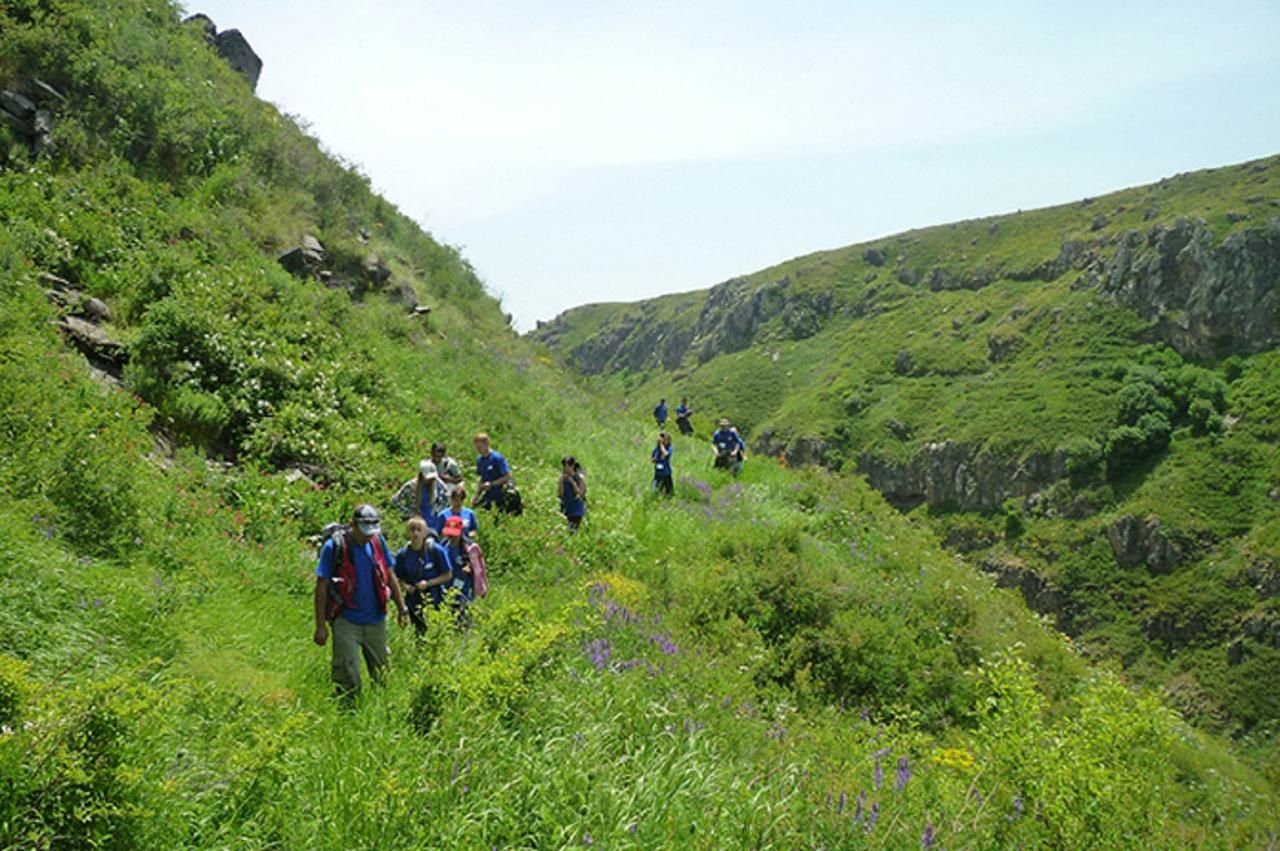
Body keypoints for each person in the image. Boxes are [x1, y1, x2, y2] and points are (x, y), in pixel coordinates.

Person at [313, 504, 409, 699]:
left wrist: (402, 608)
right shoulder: (334, 547)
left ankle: (382, 710)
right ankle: (348, 710)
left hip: (376, 619)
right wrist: (320, 625)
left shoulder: (378, 542)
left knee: (382, 675)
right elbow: (321, 587)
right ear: (352, 525)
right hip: (346, 619)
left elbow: (390, 575)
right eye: (364, 532)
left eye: (371, 532)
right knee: (348, 674)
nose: (368, 537)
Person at [394, 516, 453, 637]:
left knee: (436, 632)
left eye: (419, 529)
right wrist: (405, 586)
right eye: (412, 529)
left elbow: (448, 575)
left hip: (435, 599)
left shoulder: (435, 550)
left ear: (425, 532)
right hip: (413, 600)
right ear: (407, 532)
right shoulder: (403, 554)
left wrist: (428, 583)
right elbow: (396, 578)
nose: (415, 533)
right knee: (419, 633)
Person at [440, 515, 475, 622]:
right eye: (450, 534)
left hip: (464, 590)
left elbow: (478, 566)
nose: (452, 537)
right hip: (446, 589)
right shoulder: (442, 548)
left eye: (455, 534)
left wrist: (470, 567)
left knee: (464, 618)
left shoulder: (468, 548)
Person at [473, 433, 516, 514]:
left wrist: (492, 484)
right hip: (489, 493)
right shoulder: (479, 460)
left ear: (487, 444)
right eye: (476, 447)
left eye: (480, 447)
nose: (478, 449)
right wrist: (477, 495)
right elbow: (481, 478)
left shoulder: (497, 458)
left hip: (501, 492)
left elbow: (508, 476)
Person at [414, 459, 450, 527]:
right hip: (419, 521)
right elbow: (396, 500)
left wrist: (439, 512)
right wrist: (410, 512)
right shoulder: (412, 485)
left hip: (435, 520)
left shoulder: (439, 485)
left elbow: (447, 502)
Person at [558, 456, 587, 532]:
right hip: (566, 508)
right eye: (563, 466)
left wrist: (572, 483)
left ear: (572, 466)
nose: (564, 469)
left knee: (572, 531)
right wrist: (561, 482)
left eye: (566, 466)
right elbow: (561, 494)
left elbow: (581, 494)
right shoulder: (563, 478)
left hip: (576, 510)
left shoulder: (580, 478)